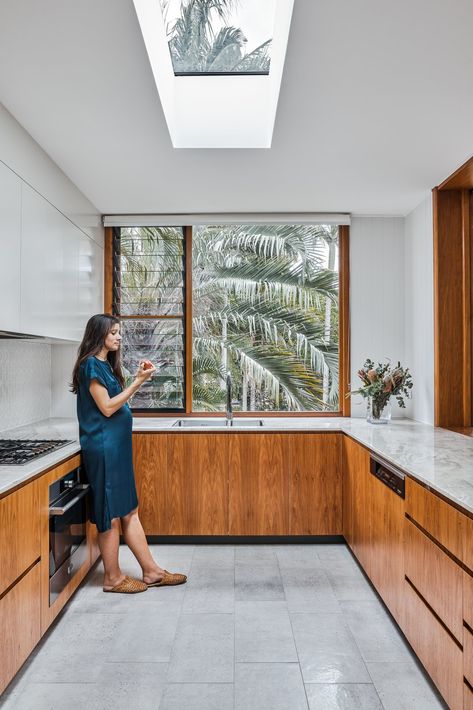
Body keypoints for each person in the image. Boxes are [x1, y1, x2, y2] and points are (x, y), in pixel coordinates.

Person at [71, 313, 187, 593]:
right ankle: (112, 578)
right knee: (110, 513)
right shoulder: (90, 366)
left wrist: (136, 379)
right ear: (98, 335)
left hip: (116, 448)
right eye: (113, 332)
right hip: (103, 447)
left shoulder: (105, 366)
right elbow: (108, 407)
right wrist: (137, 383)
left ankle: (152, 572)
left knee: (129, 509)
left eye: (119, 331)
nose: (119, 337)